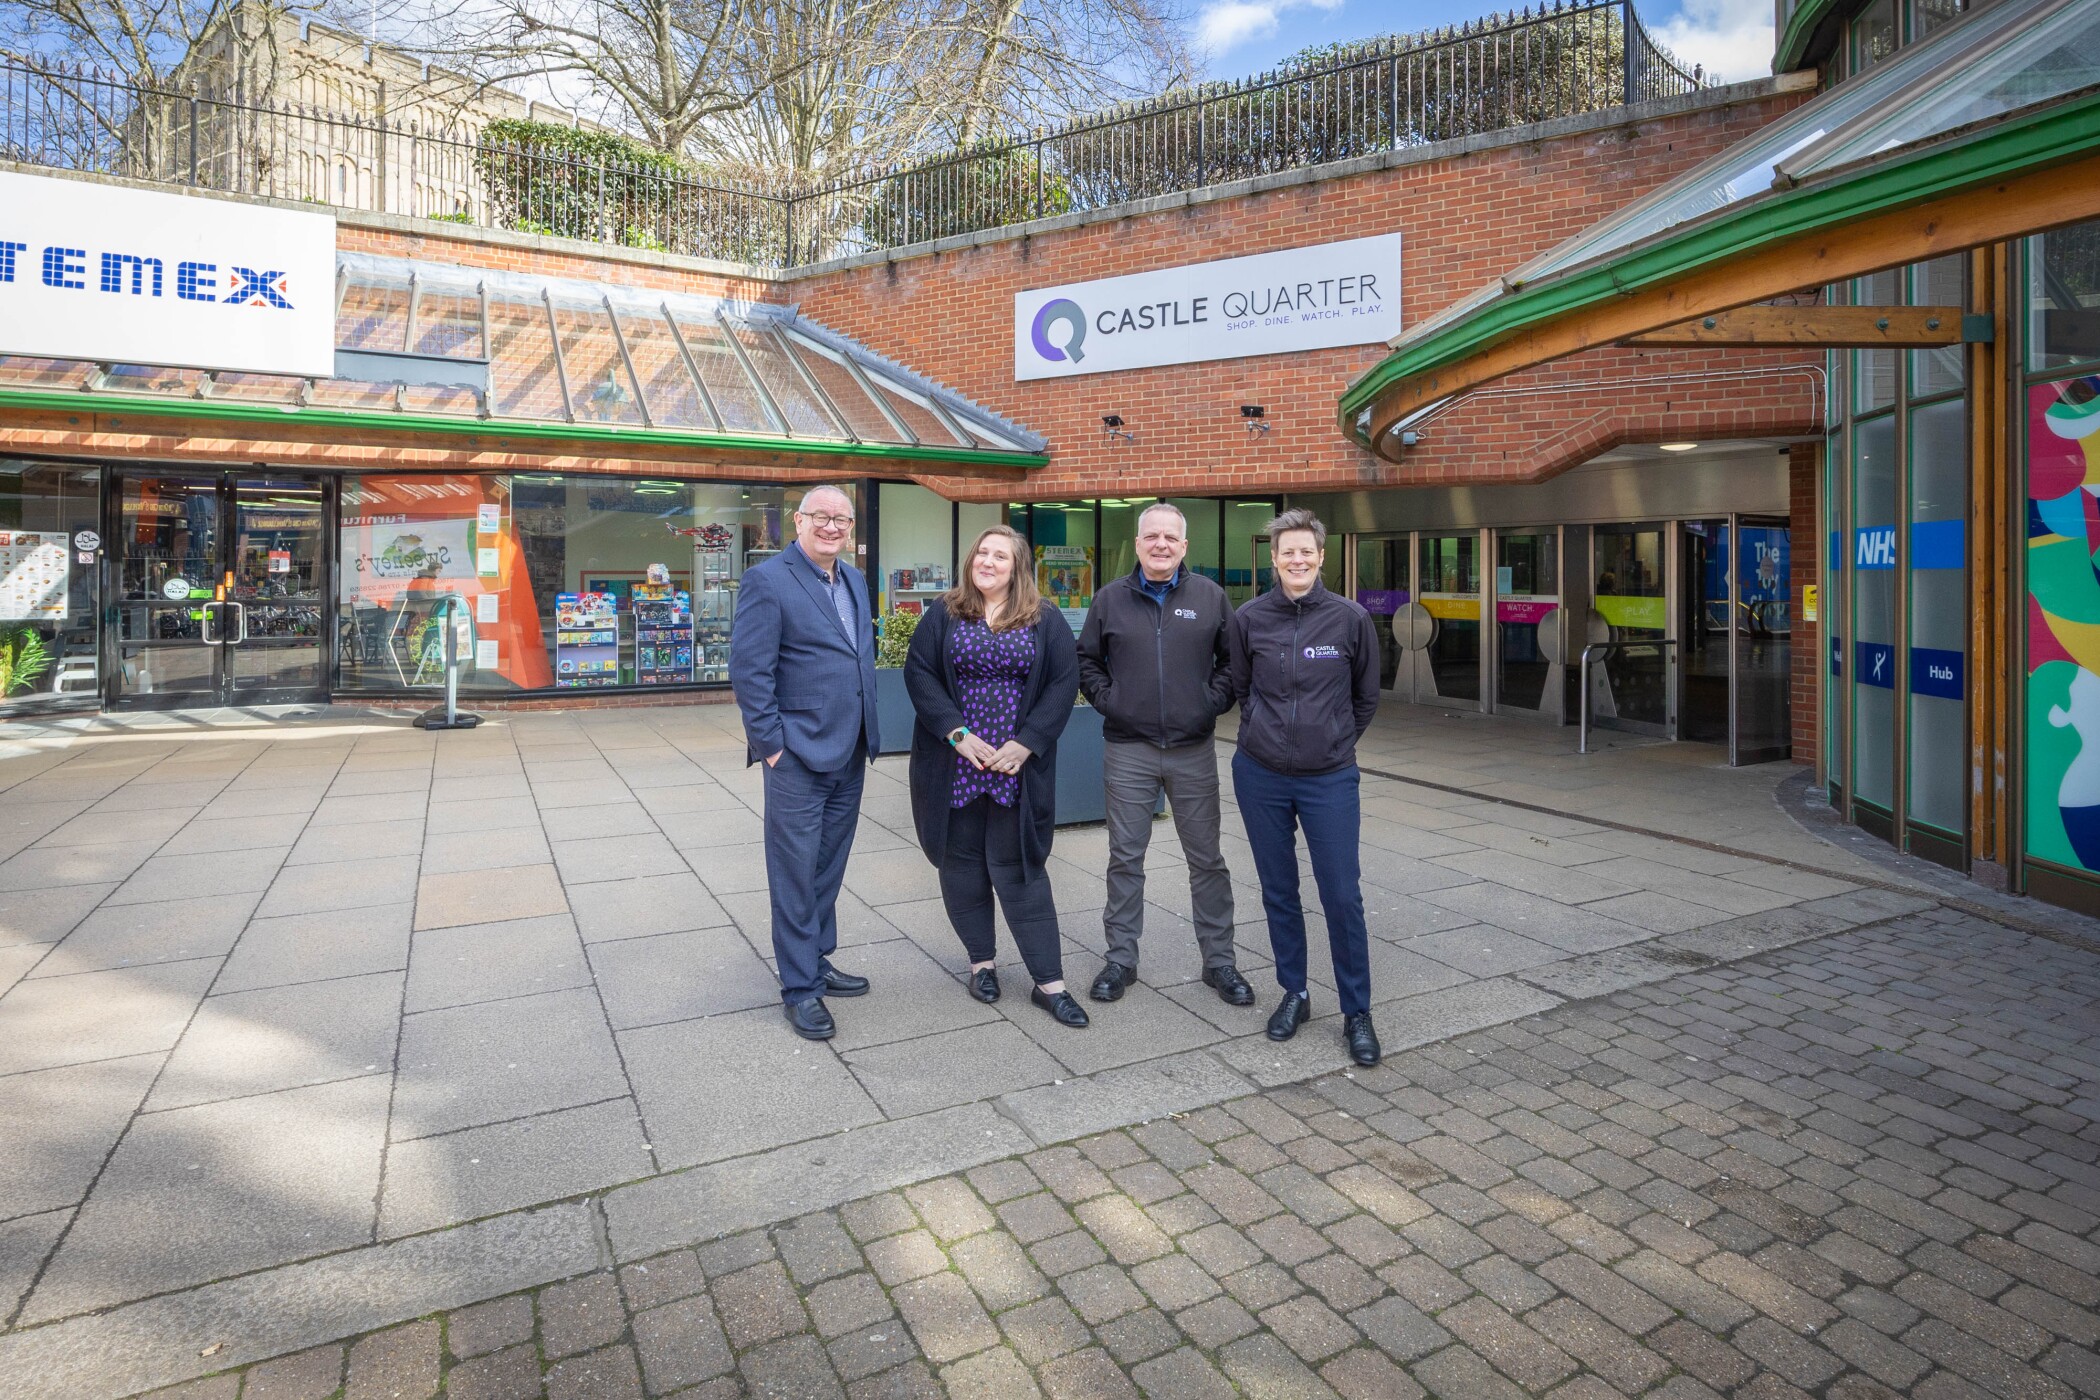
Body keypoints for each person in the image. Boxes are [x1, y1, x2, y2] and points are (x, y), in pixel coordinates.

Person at [904, 523, 1089, 1029]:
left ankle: (1049, 983)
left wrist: (1028, 741)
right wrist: (955, 734)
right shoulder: (944, 612)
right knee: (961, 863)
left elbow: (1062, 682)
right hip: (956, 763)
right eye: (981, 553)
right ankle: (981, 965)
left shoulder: (1044, 618)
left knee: (1020, 869)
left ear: (1017, 567)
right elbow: (919, 673)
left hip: (1015, 767)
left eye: (999, 556)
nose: (987, 562)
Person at [1229, 508, 1384, 1066]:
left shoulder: (1349, 620)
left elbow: (1366, 696)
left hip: (1330, 778)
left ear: (1322, 556)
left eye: (1306, 552)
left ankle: (1357, 1010)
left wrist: (1333, 740)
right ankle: (1294, 992)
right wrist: (1270, 737)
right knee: (1279, 890)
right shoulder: (1249, 619)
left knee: (1342, 894)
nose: (1297, 560)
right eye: (1287, 552)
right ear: (1274, 559)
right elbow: (1244, 689)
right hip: (1261, 774)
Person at [1076, 502, 1248, 1006]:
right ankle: (1120, 960)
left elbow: (1231, 663)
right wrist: (1113, 702)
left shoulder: (1210, 597)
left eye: (1171, 538)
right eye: (1152, 536)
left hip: (1193, 750)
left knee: (1208, 860)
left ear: (1184, 546)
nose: (1161, 545)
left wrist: (1208, 704)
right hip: (1128, 749)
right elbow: (1087, 659)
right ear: (1138, 543)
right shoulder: (1110, 599)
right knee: (1125, 858)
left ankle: (1220, 963)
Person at [728, 485, 880, 1041]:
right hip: (795, 755)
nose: (833, 527)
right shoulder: (768, 581)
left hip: (850, 748)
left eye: (842, 519)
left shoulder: (855, 579)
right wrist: (772, 747)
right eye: (822, 517)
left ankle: (817, 958)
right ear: (799, 521)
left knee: (827, 867)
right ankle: (799, 989)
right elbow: (749, 672)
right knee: (794, 874)